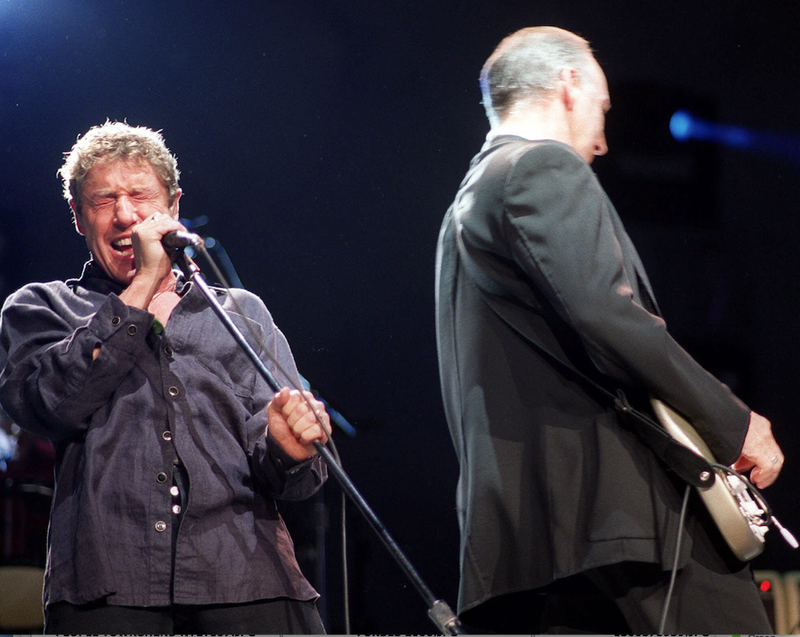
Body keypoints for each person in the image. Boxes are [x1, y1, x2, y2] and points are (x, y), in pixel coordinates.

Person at [435, 26, 784, 633]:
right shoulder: (539, 166)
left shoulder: (470, 198)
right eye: (601, 110)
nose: (600, 143)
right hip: (622, 515)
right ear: (568, 84)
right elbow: (609, 316)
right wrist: (733, 424)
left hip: (544, 532)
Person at [0, 121, 332, 634]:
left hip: (247, 583)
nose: (126, 216)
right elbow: (50, 403)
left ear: (173, 206)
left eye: (140, 196)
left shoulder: (239, 313)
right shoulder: (41, 308)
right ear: (77, 216)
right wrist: (144, 288)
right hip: (110, 590)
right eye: (104, 200)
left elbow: (299, 479)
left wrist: (288, 451)